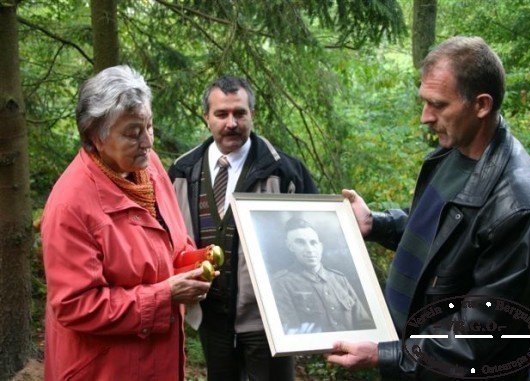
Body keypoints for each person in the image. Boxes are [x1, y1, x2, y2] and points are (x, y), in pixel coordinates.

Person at [326, 36, 530, 380]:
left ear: (482, 105)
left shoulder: (517, 206)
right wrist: (377, 225)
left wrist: (386, 355)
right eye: (424, 102)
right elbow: (438, 231)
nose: (424, 117)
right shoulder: (452, 153)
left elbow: (479, 335)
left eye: (439, 105)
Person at [41, 65, 214, 381]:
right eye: (133, 132)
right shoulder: (71, 204)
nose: (148, 141)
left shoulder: (148, 169)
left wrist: (192, 264)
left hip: (155, 361)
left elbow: (169, 239)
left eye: (150, 126)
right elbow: (76, 305)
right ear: (97, 136)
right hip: (104, 369)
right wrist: (165, 296)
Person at [169, 75, 318, 380]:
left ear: (253, 114)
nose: (232, 123)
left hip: (270, 321)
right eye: (221, 114)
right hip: (210, 316)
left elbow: (315, 238)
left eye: (240, 113)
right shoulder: (182, 172)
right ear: (206, 117)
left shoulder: (286, 172)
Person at [271, 217, 374, 334]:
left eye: (313, 243)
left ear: (321, 247)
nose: (309, 249)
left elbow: (365, 323)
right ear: (290, 247)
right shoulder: (281, 283)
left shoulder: (339, 279)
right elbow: (292, 333)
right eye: (300, 243)